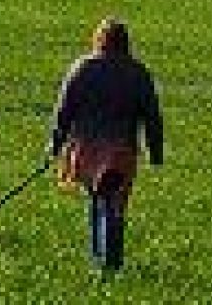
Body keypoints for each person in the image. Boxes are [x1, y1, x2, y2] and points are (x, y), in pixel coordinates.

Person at [46, 16, 165, 273]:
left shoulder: (82, 68)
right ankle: (111, 261)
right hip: (122, 150)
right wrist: (155, 151)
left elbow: (63, 111)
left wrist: (54, 146)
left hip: (88, 148)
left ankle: (99, 260)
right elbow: (152, 115)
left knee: (96, 199)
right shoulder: (138, 72)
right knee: (115, 204)